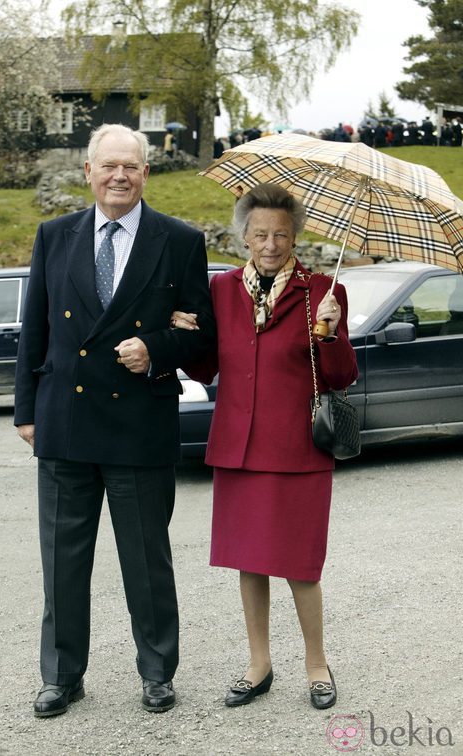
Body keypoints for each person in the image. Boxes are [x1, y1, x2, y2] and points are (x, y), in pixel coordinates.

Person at [14, 124, 215, 717]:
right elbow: (35, 327)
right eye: (109, 166)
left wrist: (155, 348)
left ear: (146, 173)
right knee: (62, 561)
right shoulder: (54, 235)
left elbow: (202, 338)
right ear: (89, 172)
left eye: (131, 166)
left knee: (147, 562)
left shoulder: (180, 240)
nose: (119, 176)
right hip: (65, 422)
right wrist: (26, 410)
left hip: (139, 425)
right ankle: (61, 676)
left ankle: (157, 672)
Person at [172, 183, 358, 710]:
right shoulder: (222, 289)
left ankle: (317, 664)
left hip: (299, 450)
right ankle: (259, 664)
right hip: (238, 449)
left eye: (280, 234)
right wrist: (184, 335)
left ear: (294, 236)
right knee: (249, 562)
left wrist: (331, 334)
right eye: (260, 234)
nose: (270, 244)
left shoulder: (323, 291)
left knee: (301, 565)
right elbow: (207, 367)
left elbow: (343, 375)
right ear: (244, 238)